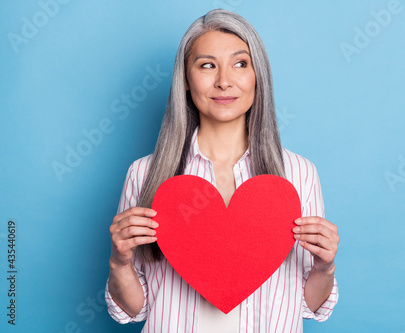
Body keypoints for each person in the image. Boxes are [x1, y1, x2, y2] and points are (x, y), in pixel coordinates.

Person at [105, 9, 339, 332]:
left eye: (240, 64)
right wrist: (119, 262)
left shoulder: (298, 174)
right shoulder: (145, 175)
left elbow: (308, 304)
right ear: (186, 80)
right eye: (207, 65)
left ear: (259, 77)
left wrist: (324, 268)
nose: (224, 81)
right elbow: (137, 307)